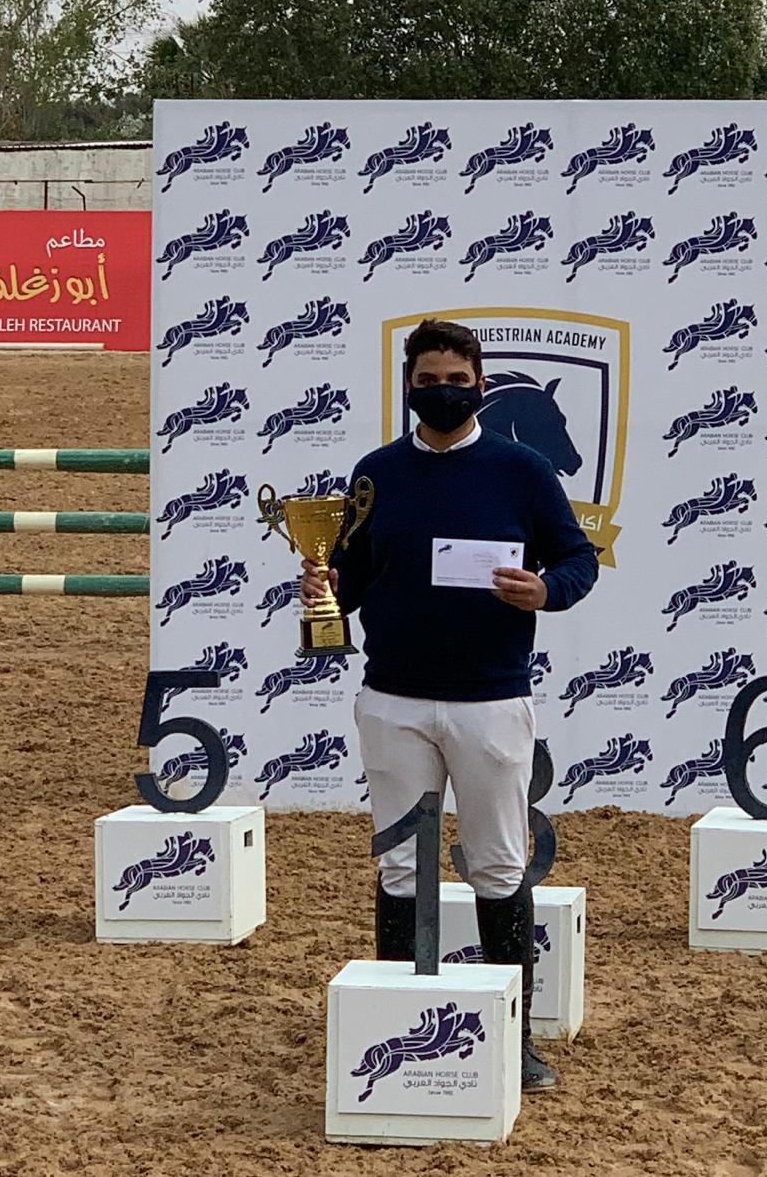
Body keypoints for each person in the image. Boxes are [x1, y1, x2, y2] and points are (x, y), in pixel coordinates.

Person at [300, 318, 598, 1091]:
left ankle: (515, 1040)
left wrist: (546, 590)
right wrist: (324, 588)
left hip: (490, 700)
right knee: (401, 866)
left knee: (498, 863)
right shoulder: (375, 474)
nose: (442, 392)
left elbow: (577, 559)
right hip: (392, 700)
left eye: (457, 381)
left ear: (481, 385)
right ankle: (398, 1018)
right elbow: (351, 577)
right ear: (408, 386)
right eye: (428, 381)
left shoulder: (524, 471)